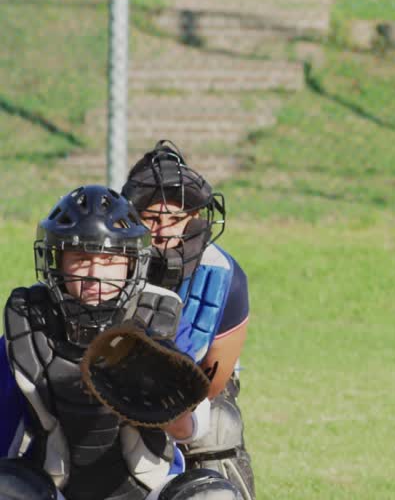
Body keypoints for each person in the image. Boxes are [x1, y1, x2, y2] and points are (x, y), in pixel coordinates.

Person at [0, 184, 241, 499]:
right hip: (55, 488)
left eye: (109, 259)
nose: (94, 273)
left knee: (212, 496)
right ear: (56, 261)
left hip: (150, 488)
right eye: (81, 258)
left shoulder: (158, 315)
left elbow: (192, 428)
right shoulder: (28, 323)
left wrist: (160, 400)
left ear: (132, 263)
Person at [121, 142, 253, 500]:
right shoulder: (107, 262)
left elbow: (213, 380)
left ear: (194, 216)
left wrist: (168, 406)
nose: (164, 230)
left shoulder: (223, 275)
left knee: (219, 426)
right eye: (151, 218)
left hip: (188, 388)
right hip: (110, 379)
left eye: (176, 218)